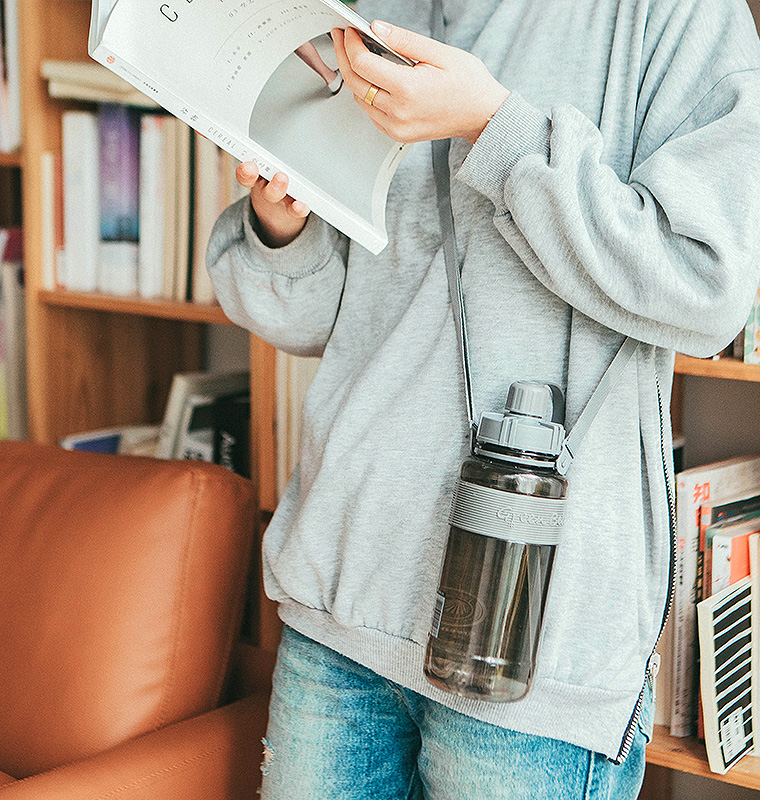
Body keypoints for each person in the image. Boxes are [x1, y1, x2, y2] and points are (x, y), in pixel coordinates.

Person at [206, 0, 760, 797]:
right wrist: (280, 219)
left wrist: (493, 128)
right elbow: (321, 316)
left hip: (534, 637)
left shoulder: (675, 16)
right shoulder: (368, 14)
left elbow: (705, 285)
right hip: (342, 598)